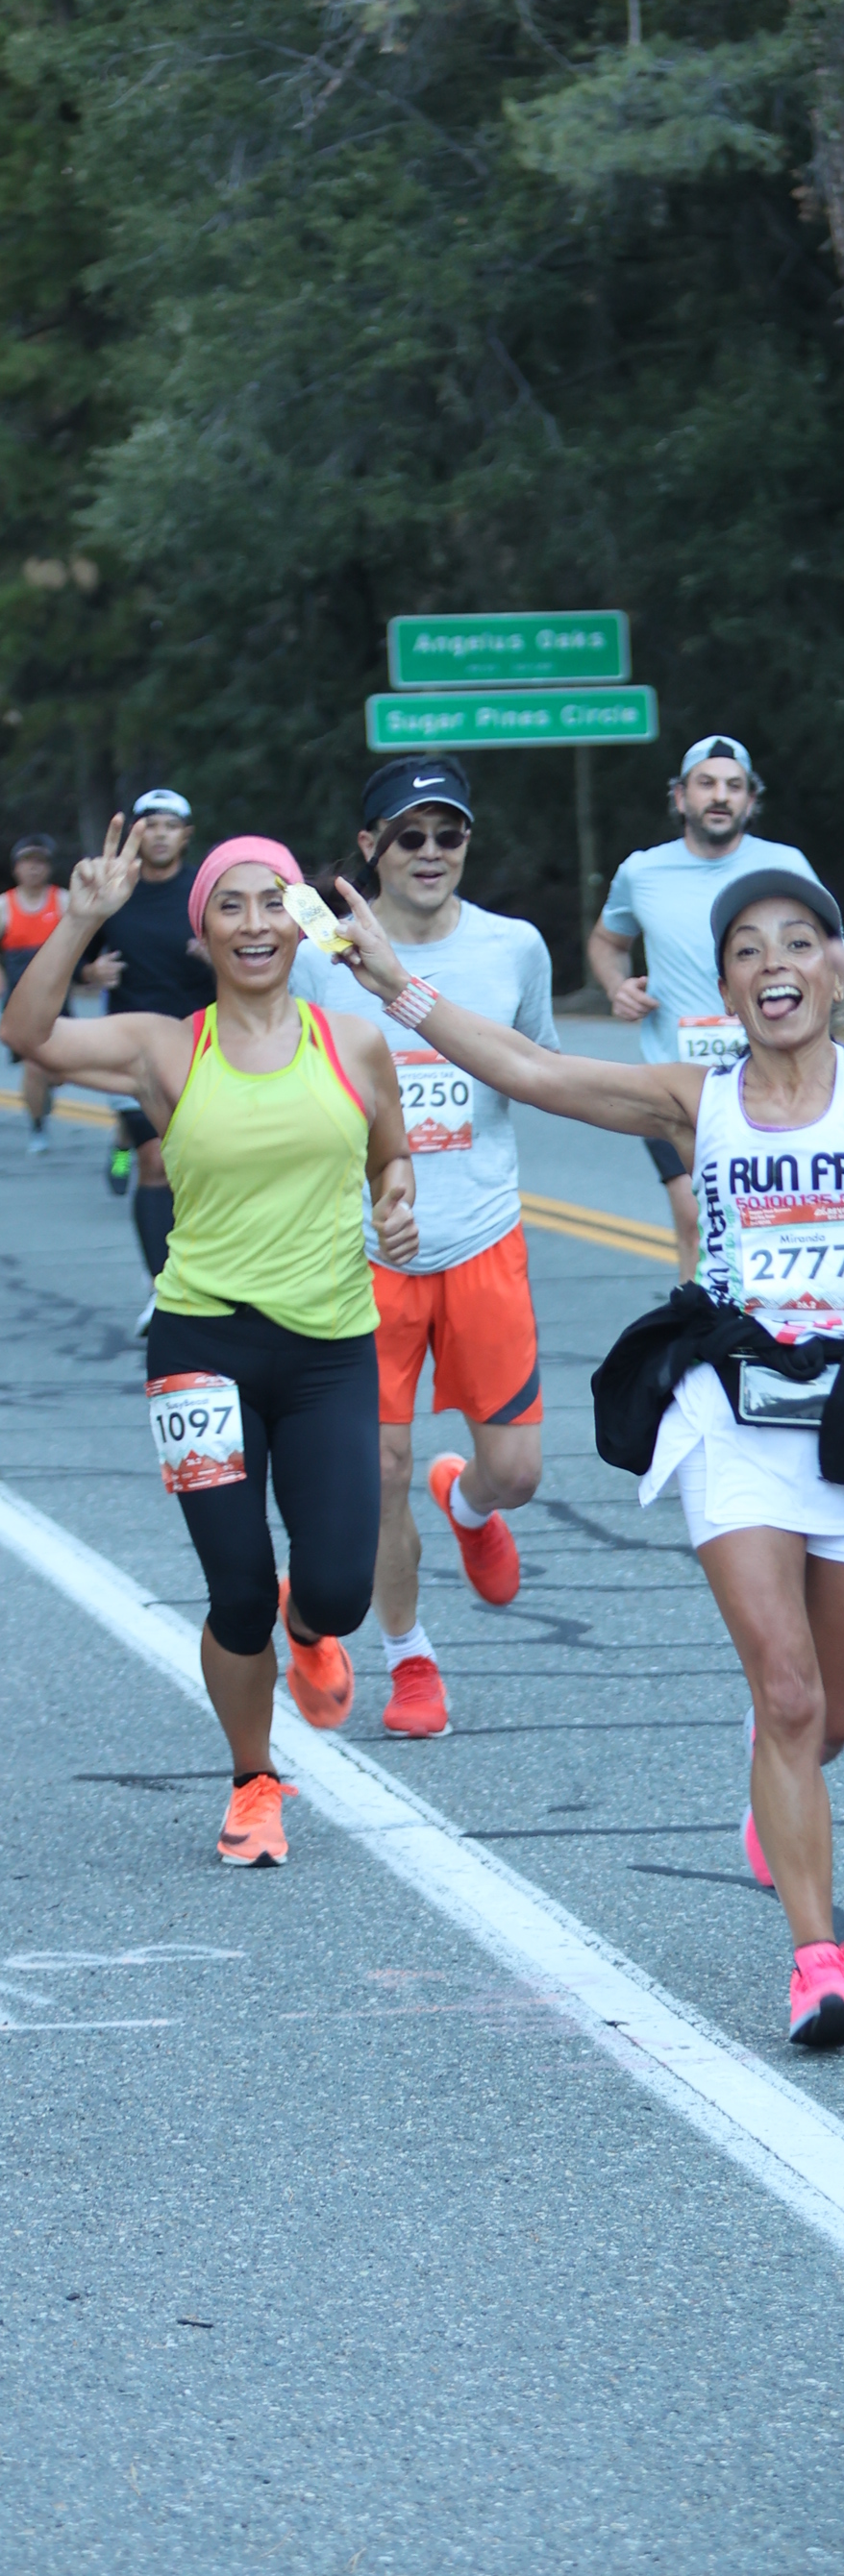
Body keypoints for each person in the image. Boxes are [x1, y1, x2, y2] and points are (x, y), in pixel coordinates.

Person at [334, 856, 844, 2050]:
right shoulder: (692, 1097)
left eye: (798, 943)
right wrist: (399, 987)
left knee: (829, 1719)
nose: (774, 965)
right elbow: (532, 1070)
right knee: (788, 1693)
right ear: (724, 989)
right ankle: (817, 1962)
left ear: (835, 974)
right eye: (747, 950)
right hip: (732, 1419)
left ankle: (778, 1776)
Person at [2, 822, 416, 1866]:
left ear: (301, 922)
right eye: (229, 906)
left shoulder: (352, 1042)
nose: (254, 923)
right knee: (236, 1589)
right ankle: (253, 1781)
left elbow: (391, 1155)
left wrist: (397, 1200)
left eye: (273, 901)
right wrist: (79, 920)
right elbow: (28, 1034)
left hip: (329, 1350)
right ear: (204, 934)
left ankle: (309, 1630)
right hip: (201, 1347)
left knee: (337, 1591)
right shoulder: (163, 1045)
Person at [289, 759, 559, 1739]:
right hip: (360, 1252)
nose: (432, 852)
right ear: (370, 848)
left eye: (450, 834)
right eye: (410, 835)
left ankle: (470, 1505)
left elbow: (533, 1067)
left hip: (481, 1238)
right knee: (381, 1468)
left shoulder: (514, 947)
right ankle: (409, 1660)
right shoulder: (317, 955)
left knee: (517, 1472)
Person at [586, 735, 814, 1273]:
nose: (720, 796)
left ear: (750, 801)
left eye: (734, 787)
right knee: (695, 1216)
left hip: (772, 1078)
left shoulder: (785, 867)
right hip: (676, 1078)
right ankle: (698, 1317)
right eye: (706, 784)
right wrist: (618, 986)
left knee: (771, 1215)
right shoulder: (642, 872)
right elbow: (606, 941)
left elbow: (827, 953)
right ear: (680, 796)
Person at [76, 788, 214, 1331]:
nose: (159, 834)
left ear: (186, 835)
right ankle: (163, 1291)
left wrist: (216, 958)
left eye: (169, 825)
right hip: (131, 1047)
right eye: (149, 824)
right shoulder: (116, 890)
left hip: (203, 1042)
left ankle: (209, 1277)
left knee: (200, 1170)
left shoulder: (206, 892)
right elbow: (75, 956)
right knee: (156, 1161)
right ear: (136, 833)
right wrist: (91, 974)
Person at [3, 836, 67, 1149]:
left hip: (58, 999)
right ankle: (37, 1127)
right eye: (27, 862)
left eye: (39, 862)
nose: (33, 869)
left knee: (57, 1071)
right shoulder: (4, 906)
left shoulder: (63, 901)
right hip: (21, 1003)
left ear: (48, 868)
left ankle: (44, 1094)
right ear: (16, 869)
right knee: (33, 1065)